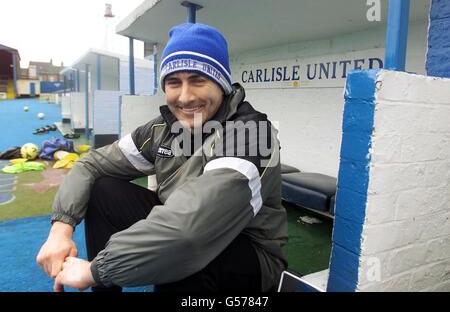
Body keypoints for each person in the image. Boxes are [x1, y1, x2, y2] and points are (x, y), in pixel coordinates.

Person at [36, 23, 288, 292]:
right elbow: (90, 164)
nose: (185, 96)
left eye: (198, 80)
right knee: (104, 189)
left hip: (248, 255)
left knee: (182, 254)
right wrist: (61, 228)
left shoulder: (252, 134)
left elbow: (189, 231)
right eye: (173, 82)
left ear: (222, 84)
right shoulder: (160, 129)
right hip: (180, 229)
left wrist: (96, 270)